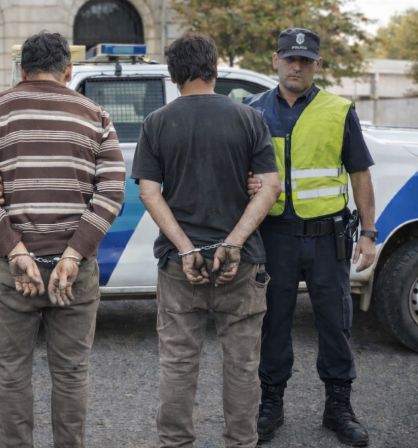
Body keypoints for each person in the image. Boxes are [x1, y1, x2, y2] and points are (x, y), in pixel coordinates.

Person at [0, 31, 125, 447]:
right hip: (76, 272)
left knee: (12, 372)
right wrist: (73, 255)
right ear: (68, 70)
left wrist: (14, 248)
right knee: (72, 373)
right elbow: (111, 193)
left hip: (11, 272)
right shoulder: (96, 115)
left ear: (21, 69)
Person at [132, 33, 281, 447]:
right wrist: (232, 244)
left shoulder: (157, 122)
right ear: (215, 70)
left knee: (178, 363)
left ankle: (176, 442)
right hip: (242, 262)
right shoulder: (250, 118)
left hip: (181, 267)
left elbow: (148, 191)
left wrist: (185, 248)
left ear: (172, 75)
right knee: (242, 366)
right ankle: (241, 441)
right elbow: (270, 188)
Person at [244, 29, 376, 446]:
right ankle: (271, 404)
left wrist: (369, 234)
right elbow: (239, 171)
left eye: (305, 60)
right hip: (274, 237)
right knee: (273, 325)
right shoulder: (251, 110)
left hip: (326, 238)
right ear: (275, 60)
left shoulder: (339, 110)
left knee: (335, 324)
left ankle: (338, 407)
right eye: (289, 59)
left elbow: (359, 174)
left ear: (317, 64)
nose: (296, 66)